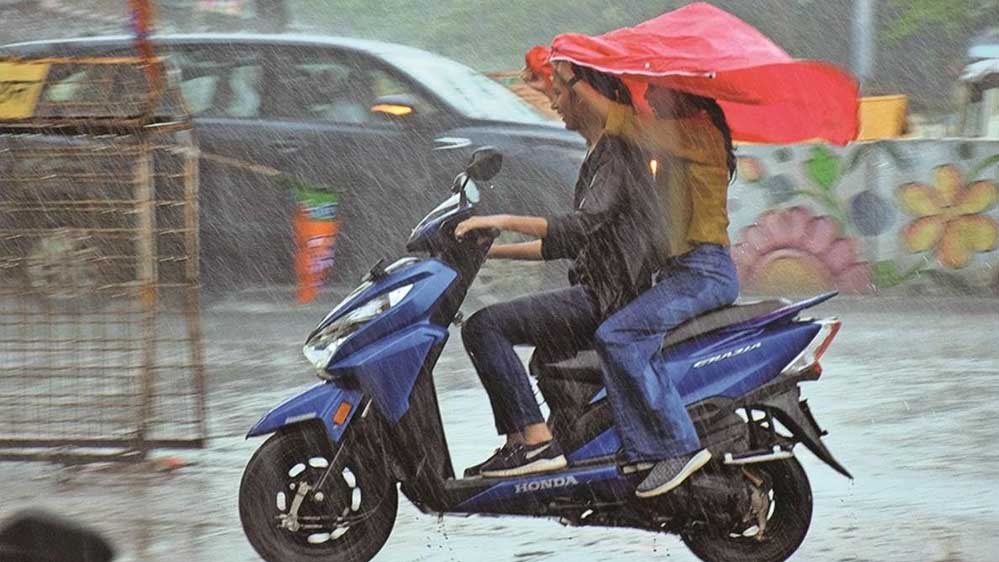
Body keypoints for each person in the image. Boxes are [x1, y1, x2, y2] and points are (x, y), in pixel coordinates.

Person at [536, 59, 742, 497]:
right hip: (677, 273)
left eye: (654, 88)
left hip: (702, 273)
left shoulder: (698, 133)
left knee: (619, 336)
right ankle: (632, 446)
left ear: (679, 91)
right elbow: (614, 129)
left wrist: (574, 80)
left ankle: (675, 447)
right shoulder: (678, 139)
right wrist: (555, 89)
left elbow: (625, 123)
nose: (646, 96)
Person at [454, 66, 669, 479]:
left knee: (484, 327)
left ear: (586, 96)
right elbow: (565, 244)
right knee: (492, 332)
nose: (553, 103)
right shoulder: (599, 154)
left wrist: (501, 219)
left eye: (559, 93)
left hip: (606, 297)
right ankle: (519, 444)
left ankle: (535, 441)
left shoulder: (617, 152)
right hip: (601, 289)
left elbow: (579, 227)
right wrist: (490, 253)